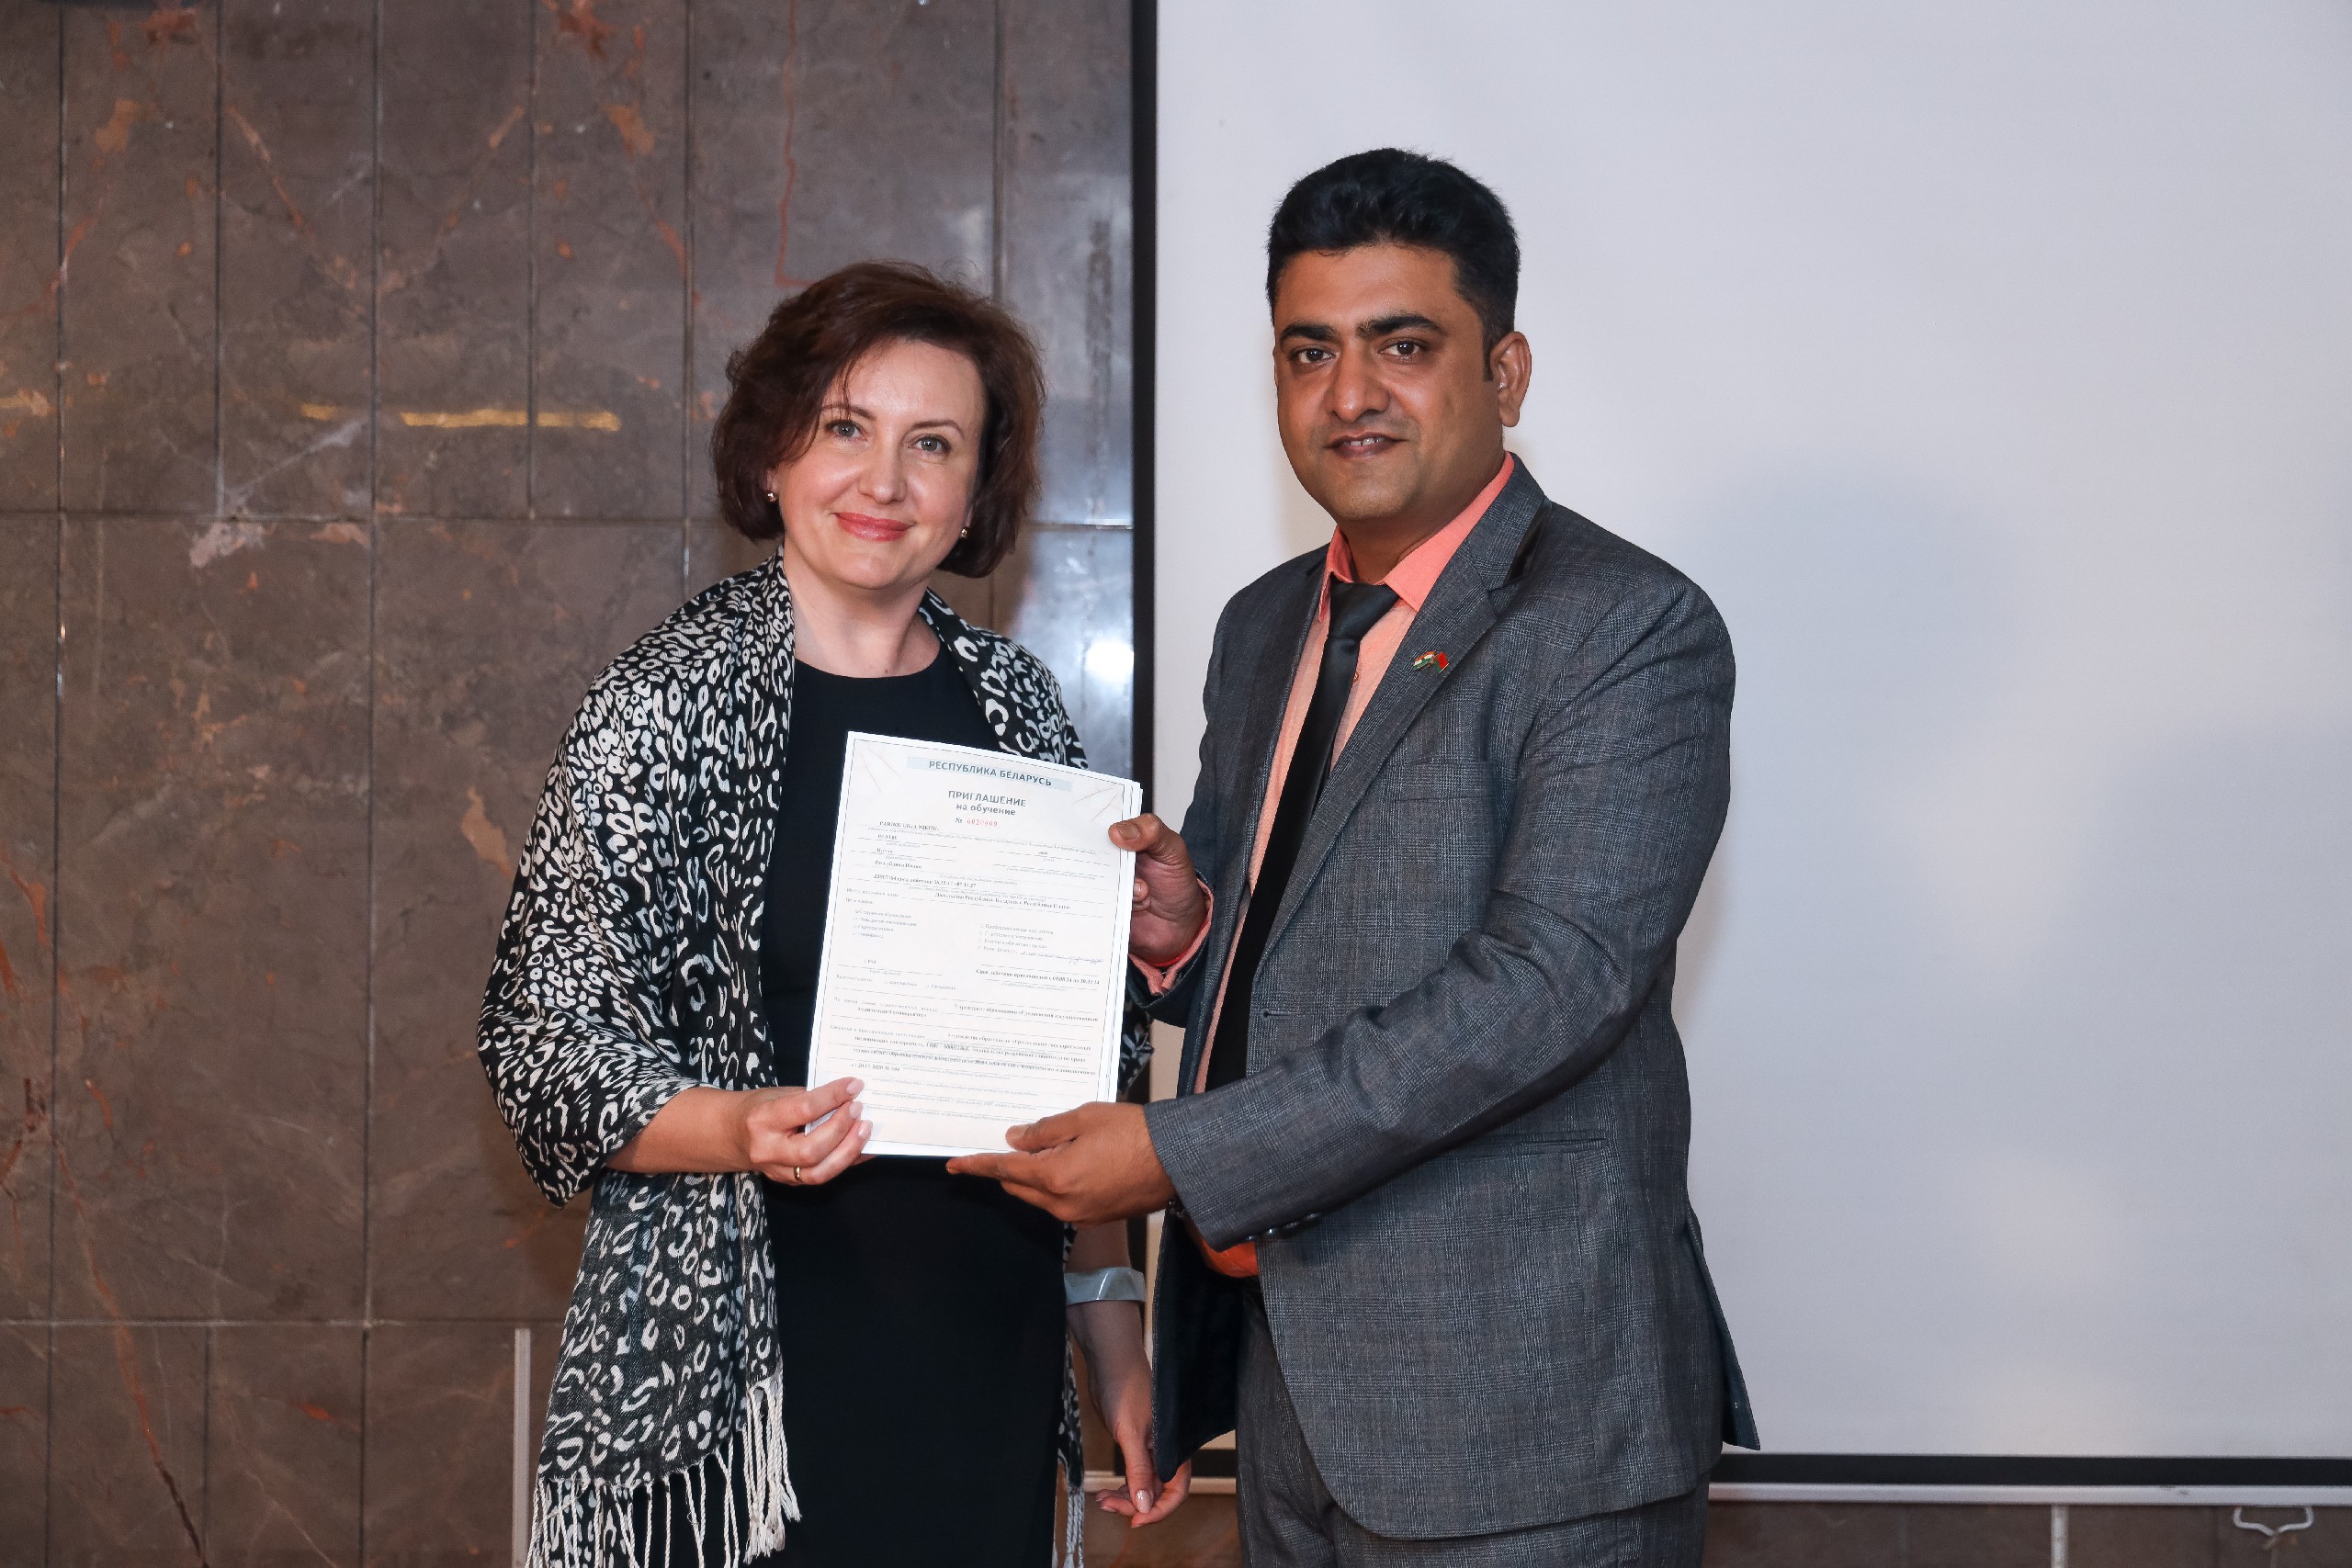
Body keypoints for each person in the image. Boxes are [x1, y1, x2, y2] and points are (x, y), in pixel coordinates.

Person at [951, 151, 1758, 1564]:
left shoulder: (1626, 627)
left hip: (1523, 1421)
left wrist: (1175, 1153)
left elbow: (1548, 987)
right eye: (1309, 351)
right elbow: (1285, 935)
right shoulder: (1267, 624)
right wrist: (1184, 934)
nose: (1350, 394)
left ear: (1506, 372)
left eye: (1404, 345)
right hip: (1287, 1393)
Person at [479, 261, 1188, 1568]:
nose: (886, 481)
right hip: (736, 1375)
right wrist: (736, 1126)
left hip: (983, 1352)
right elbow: (542, 1047)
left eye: (935, 444)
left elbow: (1074, 1074)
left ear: (976, 493)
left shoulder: (1018, 709)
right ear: (773, 454)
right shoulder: (662, 705)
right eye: (847, 427)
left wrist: (1114, 1338)